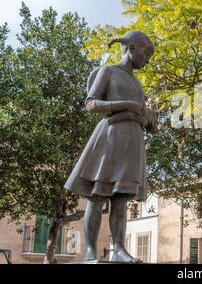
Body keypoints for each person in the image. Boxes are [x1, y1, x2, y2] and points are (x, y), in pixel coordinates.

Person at [64, 31, 157, 263]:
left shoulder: (137, 83)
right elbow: (91, 103)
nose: (147, 61)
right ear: (132, 48)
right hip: (110, 137)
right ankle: (90, 253)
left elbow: (142, 116)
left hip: (132, 141)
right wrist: (125, 104)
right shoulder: (108, 72)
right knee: (97, 195)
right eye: (147, 54)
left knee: (121, 198)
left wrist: (147, 118)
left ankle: (118, 249)